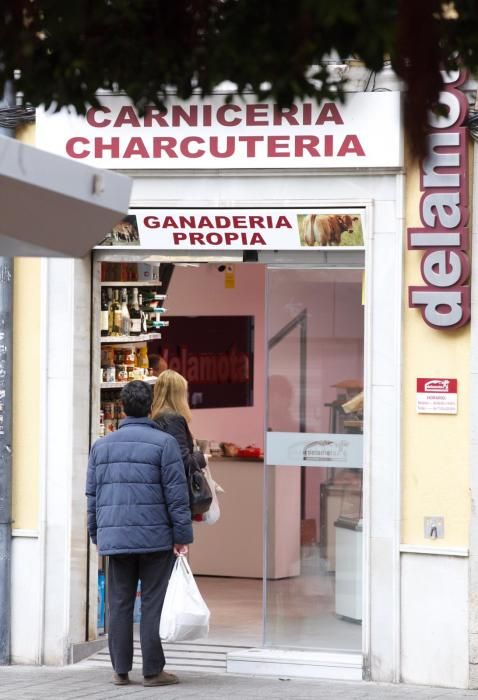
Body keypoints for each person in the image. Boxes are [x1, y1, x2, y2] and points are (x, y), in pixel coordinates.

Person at [85, 380, 192, 688]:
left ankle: (120, 670)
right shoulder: (164, 444)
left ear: (123, 406)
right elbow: (177, 496)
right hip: (156, 538)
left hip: (116, 538)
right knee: (152, 603)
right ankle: (152, 671)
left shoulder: (102, 445)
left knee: (118, 603)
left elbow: (92, 495)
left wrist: (96, 533)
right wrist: (182, 536)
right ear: (150, 407)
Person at [151, 369, 206, 479]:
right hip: (175, 486)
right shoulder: (173, 420)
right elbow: (182, 462)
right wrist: (201, 457)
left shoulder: (155, 417)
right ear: (178, 395)